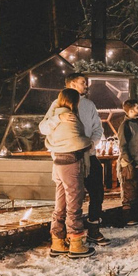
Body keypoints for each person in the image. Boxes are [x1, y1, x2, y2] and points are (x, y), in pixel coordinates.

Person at [42, 73, 110, 246]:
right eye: (83, 82)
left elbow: (98, 128)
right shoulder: (57, 105)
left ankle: (93, 229)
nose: (86, 85)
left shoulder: (89, 105)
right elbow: (43, 127)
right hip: (68, 158)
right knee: (67, 197)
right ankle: (64, 236)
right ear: (72, 84)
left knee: (96, 192)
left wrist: (91, 144)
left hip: (89, 155)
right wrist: (58, 118)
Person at [39, 88, 95, 258]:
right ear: (73, 101)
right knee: (74, 201)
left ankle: (58, 240)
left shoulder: (56, 114)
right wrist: (89, 143)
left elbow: (46, 129)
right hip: (71, 161)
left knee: (61, 201)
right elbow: (76, 139)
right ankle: (76, 243)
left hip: (58, 161)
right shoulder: (69, 116)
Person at [117, 99, 138, 226]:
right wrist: (131, 162)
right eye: (137, 107)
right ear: (130, 110)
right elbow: (123, 146)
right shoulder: (126, 126)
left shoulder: (137, 124)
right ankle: (129, 218)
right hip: (131, 165)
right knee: (130, 192)